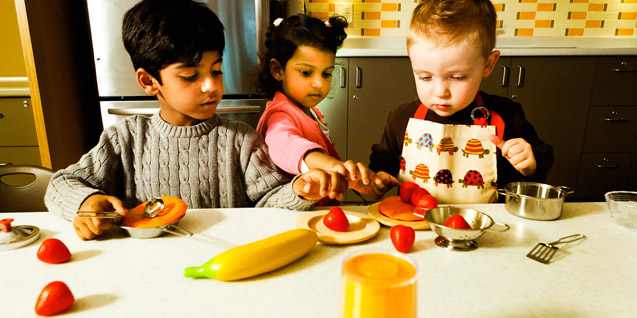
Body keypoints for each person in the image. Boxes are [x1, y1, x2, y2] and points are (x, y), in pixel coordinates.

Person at [44, 0, 348, 240]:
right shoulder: (126, 138)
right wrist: (85, 204)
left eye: (216, 70)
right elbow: (61, 183)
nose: (211, 86)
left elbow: (268, 202)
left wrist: (299, 190)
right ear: (149, 81)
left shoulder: (241, 140)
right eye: (191, 76)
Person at [369, 0, 553, 196]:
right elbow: (383, 159)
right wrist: (380, 177)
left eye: (458, 77)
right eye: (425, 77)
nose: (440, 91)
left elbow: (543, 156)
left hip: (485, 223)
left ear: (488, 64)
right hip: (418, 222)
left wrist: (529, 163)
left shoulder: (507, 114)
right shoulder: (400, 117)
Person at [254, 14, 398, 200]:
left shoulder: (309, 111)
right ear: (277, 70)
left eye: (326, 74)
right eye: (306, 73)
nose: (318, 84)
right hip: (291, 217)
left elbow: (333, 169)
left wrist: (363, 182)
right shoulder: (279, 114)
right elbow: (284, 144)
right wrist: (333, 166)